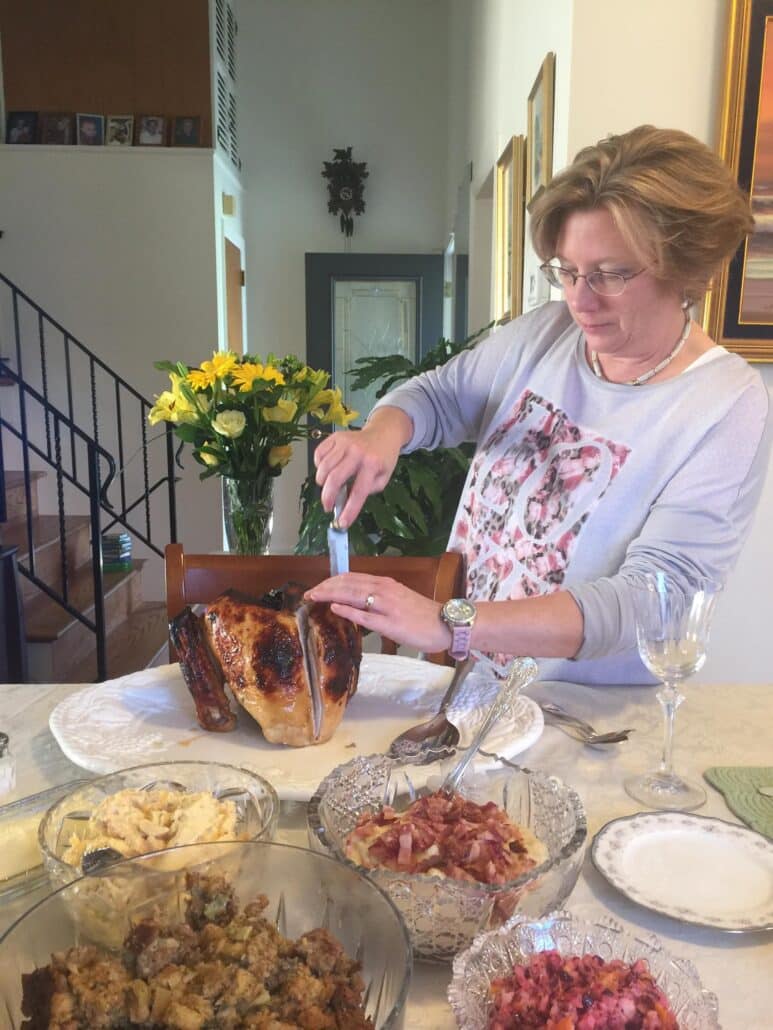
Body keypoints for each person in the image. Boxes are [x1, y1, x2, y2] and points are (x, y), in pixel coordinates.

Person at [306, 125, 772, 684]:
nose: (579, 297)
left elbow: (653, 599)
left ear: (686, 270)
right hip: (468, 688)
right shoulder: (545, 334)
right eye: (568, 270)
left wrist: (451, 623)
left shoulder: (725, 404)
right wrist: (381, 433)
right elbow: (438, 395)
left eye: (610, 274)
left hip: (583, 722)